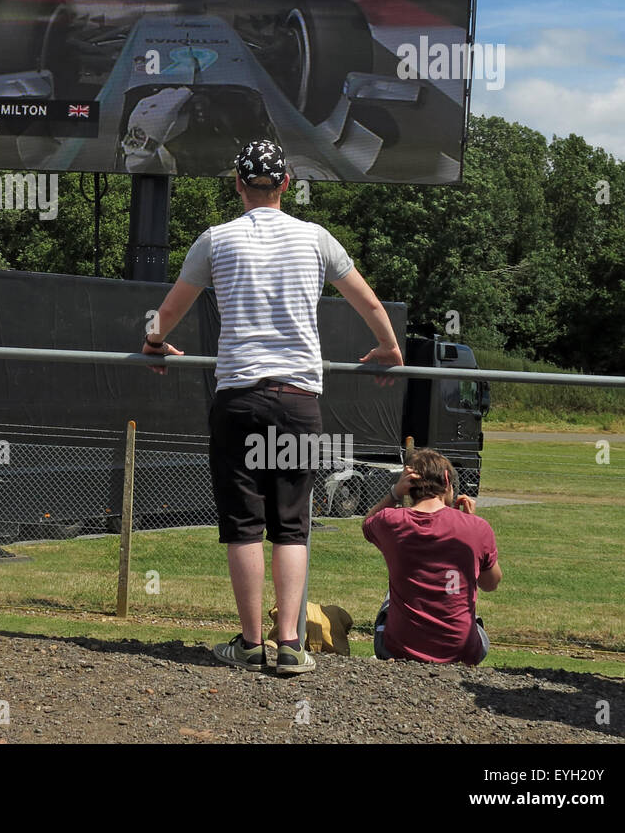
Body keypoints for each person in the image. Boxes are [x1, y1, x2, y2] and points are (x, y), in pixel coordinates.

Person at [141, 139, 403, 675]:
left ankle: (250, 642)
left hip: (237, 397)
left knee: (242, 525)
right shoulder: (316, 238)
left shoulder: (215, 241)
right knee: (291, 524)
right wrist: (389, 347)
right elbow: (370, 302)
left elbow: (167, 312)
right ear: (285, 184)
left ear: (238, 184)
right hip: (298, 399)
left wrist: (153, 342)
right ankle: (289, 646)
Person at [363, 448, 501, 665]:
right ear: (447, 481)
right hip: (464, 651)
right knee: (468, 607)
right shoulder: (477, 527)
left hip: (399, 649)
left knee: (392, 594)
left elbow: (367, 524)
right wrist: (473, 527)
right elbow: (490, 583)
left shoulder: (391, 521)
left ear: (410, 485)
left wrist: (395, 493)